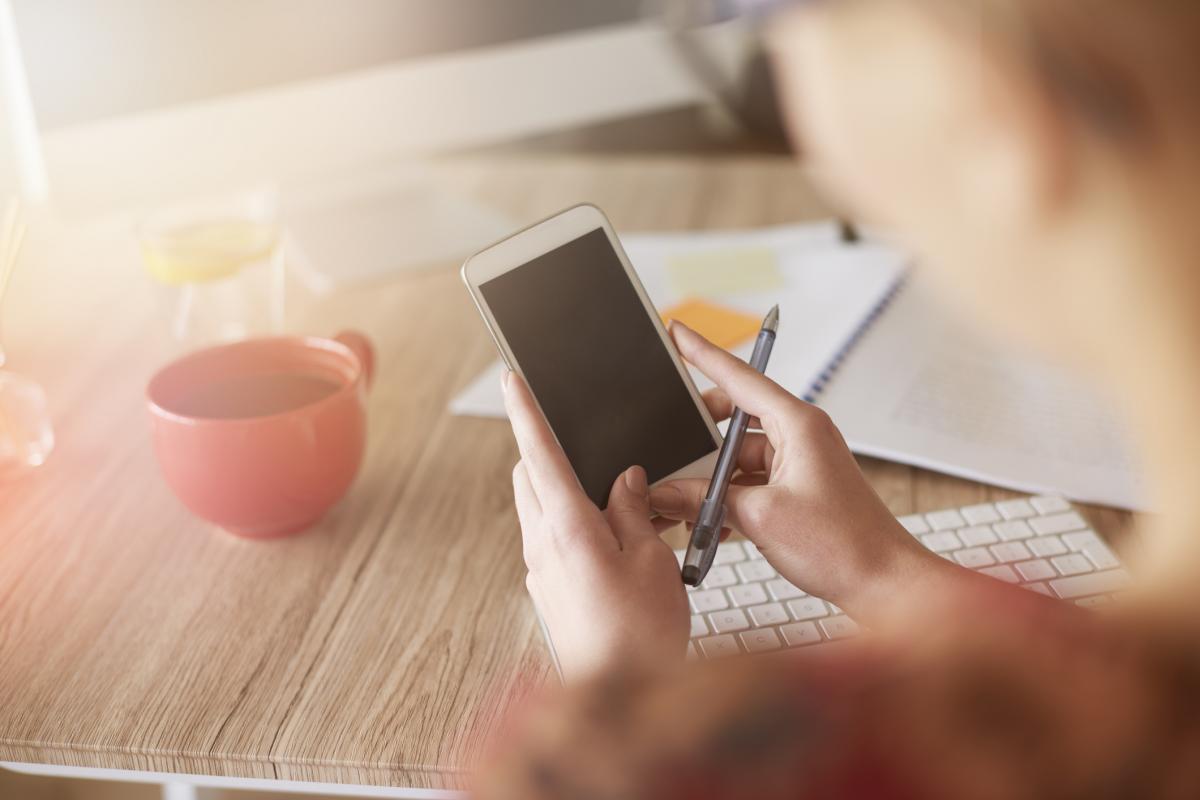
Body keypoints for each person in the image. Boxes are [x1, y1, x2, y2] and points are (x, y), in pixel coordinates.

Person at [477, 1, 1200, 797]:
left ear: (989, 110)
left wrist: (626, 708)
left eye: (761, 21)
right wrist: (880, 569)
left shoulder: (737, 764)